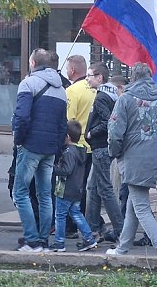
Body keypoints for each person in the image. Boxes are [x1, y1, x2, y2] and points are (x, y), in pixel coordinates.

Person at [106, 62, 157, 257]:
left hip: (132, 159)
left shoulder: (125, 99)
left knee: (141, 208)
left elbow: (115, 132)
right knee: (134, 203)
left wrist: (114, 152)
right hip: (155, 159)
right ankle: (122, 248)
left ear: (132, 77)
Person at [11, 48, 67, 252]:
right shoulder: (61, 89)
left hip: (30, 145)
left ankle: (31, 239)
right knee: (45, 194)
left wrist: (18, 140)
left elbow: (22, 116)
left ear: (33, 63)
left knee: (21, 192)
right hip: (50, 148)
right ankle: (43, 240)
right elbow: (63, 124)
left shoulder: (28, 83)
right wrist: (57, 147)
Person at [84, 62, 124, 242]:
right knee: (92, 187)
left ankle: (120, 228)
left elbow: (108, 121)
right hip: (102, 147)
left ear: (99, 77)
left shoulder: (101, 97)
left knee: (105, 189)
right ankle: (93, 229)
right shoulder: (112, 94)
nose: (87, 79)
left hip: (100, 147)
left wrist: (91, 132)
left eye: (90, 75)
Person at [51, 120, 98, 252]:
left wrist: (53, 168)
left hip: (65, 190)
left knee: (60, 216)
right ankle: (89, 239)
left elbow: (66, 170)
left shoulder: (69, 152)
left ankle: (59, 242)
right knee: (76, 214)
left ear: (68, 136)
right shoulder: (80, 151)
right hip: (76, 189)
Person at [64, 54, 96, 235]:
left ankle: (72, 225)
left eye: (68, 68)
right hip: (91, 145)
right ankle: (88, 220)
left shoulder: (72, 91)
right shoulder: (94, 89)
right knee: (87, 187)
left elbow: (69, 121)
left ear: (73, 70)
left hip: (76, 145)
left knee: (73, 188)